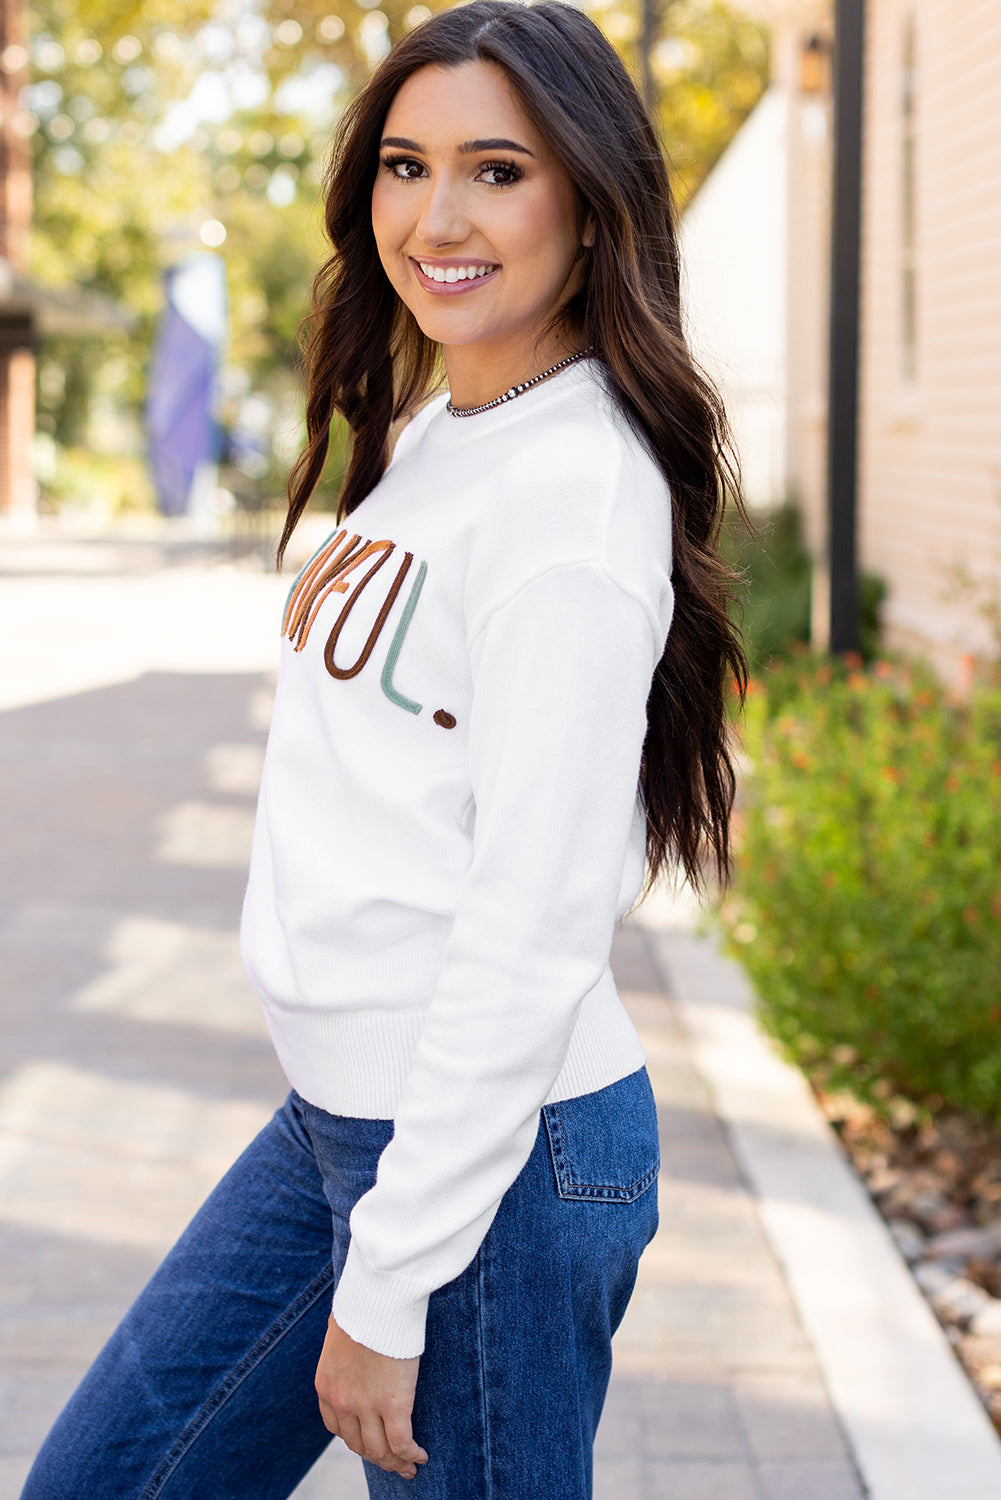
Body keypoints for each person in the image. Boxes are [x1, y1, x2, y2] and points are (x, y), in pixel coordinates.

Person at [22, 2, 746, 1496]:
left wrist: (390, 1276)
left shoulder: (569, 501)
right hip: (349, 1120)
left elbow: (533, 918)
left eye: (496, 170)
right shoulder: (445, 429)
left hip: (488, 1163)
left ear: (588, 205)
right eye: (405, 166)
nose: (437, 216)